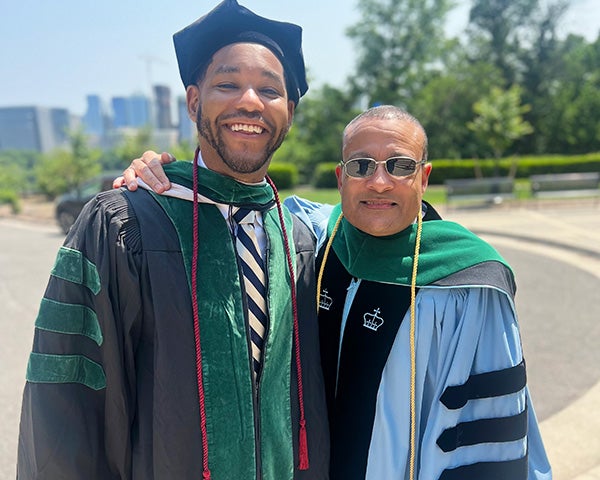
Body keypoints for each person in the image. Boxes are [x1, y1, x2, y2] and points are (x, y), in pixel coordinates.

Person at [121, 105, 552, 479]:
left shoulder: (469, 283)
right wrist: (160, 176)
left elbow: (488, 434)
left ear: (424, 178)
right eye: (361, 166)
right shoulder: (312, 239)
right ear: (340, 178)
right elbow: (228, 203)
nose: (379, 182)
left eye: (399, 166)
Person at [16, 1, 330, 479]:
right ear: (192, 101)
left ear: (289, 111)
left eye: (270, 89)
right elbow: (66, 404)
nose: (249, 101)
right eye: (227, 84)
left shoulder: (304, 239)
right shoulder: (124, 222)